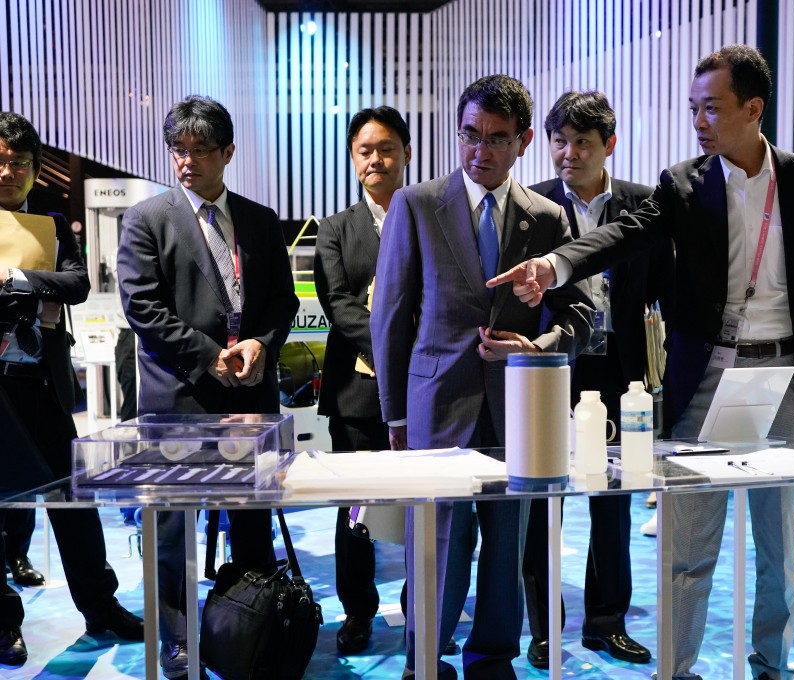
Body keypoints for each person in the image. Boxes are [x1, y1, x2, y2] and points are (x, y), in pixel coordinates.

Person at [489, 45, 794, 680]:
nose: (698, 121)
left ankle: (774, 666)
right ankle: (677, 671)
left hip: (785, 376)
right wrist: (556, 265)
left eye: (711, 108)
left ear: (753, 108)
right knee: (687, 546)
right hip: (704, 377)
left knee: (779, 546)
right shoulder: (684, 183)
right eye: (693, 108)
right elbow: (626, 233)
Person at [370, 74, 593, 679]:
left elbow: (581, 312)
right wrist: (394, 414)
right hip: (435, 403)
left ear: (522, 142)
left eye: (496, 138)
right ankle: (425, 656)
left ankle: (493, 659)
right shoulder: (416, 205)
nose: (480, 150)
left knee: (506, 547)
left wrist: (537, 347)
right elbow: (390, 315)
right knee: (438, 543)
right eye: (470, 135)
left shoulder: (548, 218)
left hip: (519, 409)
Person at [118, 96, 299, 679]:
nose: (188, 162)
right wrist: (208, 357)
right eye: (179, 151)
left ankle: (252, 630)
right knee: (171, 528)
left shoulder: (261, 219)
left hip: (251, 399)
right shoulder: (148, 219)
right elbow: (142, 307)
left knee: (252, 522)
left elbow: (281, 300)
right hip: (179, 397)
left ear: (228, 153)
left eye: (200, 151)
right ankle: (174, 640)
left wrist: (260, 344)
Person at [521, 90, 673, 669]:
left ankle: (606, 621)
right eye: (560, 141)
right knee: (541, 501)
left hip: (622, 372)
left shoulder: (645, 204)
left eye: (582, 142)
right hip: (550, 369)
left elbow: (664, 290)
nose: (568, 153)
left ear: (609, 145)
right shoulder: (532, 205)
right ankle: (543, 626)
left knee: (615, 502)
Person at [0, 111, 144, 664]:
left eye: (20, 163)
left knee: (74, 502)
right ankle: (4, 625)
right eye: (2, 162)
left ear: (36, 170)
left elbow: (78, 284)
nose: (10, 171)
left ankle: (100, 607)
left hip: (46, 386)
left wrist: (18, 280)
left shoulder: (54, 227)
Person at [313, 106, 412, 656]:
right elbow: (339, 305)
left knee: (424, 505)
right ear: (354, 161)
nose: (377, 159)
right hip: (357, 393)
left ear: (406, 154)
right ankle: (357, 612)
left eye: (387, 148)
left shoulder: (430, 214)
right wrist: (394, 353)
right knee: (355, 512)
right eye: (365, 151)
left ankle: (422, 602)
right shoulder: (335, 229)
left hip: (424, 391)